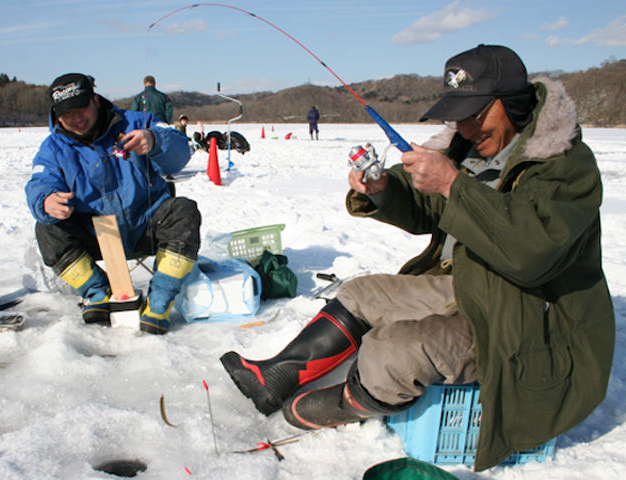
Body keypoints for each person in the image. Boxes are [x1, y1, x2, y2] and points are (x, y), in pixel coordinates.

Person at [220, 45, 614, 471]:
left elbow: (531, 252)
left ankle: (346, 402)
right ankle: (275, 377)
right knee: (361, 293)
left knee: (391, 352)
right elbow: (433, 208)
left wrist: (453, 185)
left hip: (527, 322)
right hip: (468, 284)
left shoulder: (565, 166)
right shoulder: (470, 149)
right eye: (458, 114)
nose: (465, 126)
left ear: (512, 101)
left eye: (476, 112)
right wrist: (384, 190)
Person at [25, 73, 201, 335]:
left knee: (184, 211)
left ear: (95, 100)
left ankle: (160, 301)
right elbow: (40, 181)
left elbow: (180, 153)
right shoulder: (53, 149)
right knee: (47, 228)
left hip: (146, 226)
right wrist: (46, 200)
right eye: (66, 113)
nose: (75, 117)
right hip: (94, 236)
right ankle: (97, 293)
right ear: (56, 114)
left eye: (81, 108)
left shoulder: (138, 122)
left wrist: (154, 140)